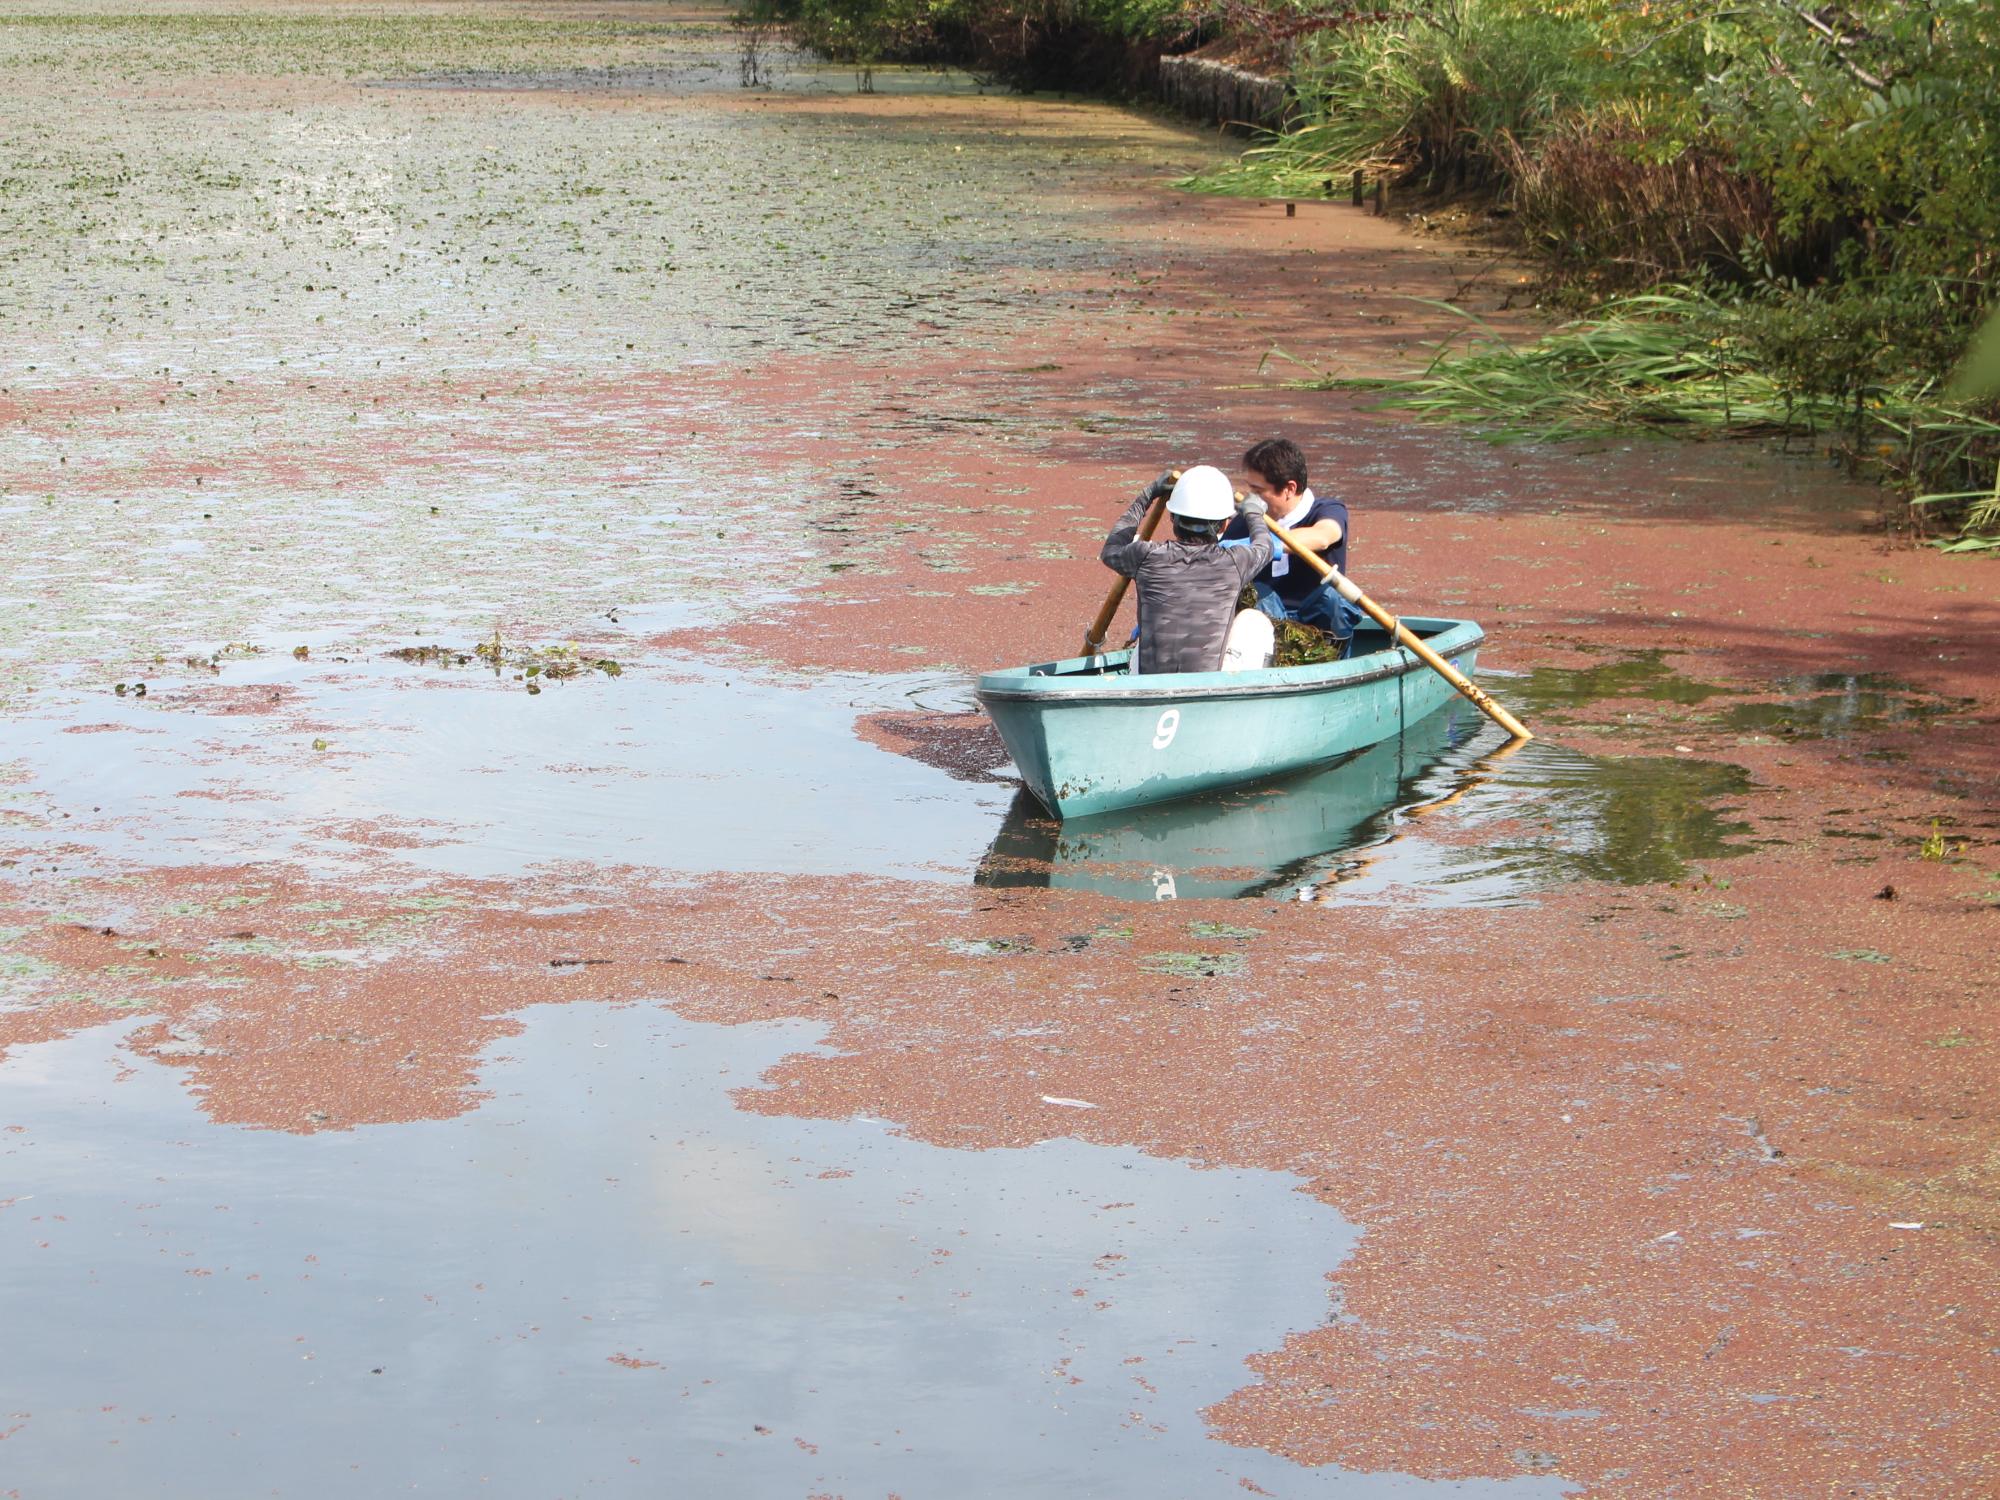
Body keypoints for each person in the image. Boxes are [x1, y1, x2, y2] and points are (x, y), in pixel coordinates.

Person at [1100, 466, 1274, 674]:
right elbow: (1265, 547)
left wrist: (1148, 495)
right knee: (1256, 621)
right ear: (1223, 526)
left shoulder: (1145, 555)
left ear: (1172, 518)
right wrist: (1254, 513)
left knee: (1144, 639)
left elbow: (1111, 549)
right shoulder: (1236, 561)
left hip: (1151, 680)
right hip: (1208, 685)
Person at [1223, 437, 1364, 655]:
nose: (1251, 497)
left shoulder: (1327, 509)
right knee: (1257, 595)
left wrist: (1263, 544)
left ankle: (1336, 663)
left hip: (1318, 618)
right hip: (1269, 620)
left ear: (1289, 489)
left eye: (1258, 491)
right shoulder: (1246, 521)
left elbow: (1324, 536)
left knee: (1335, 599)